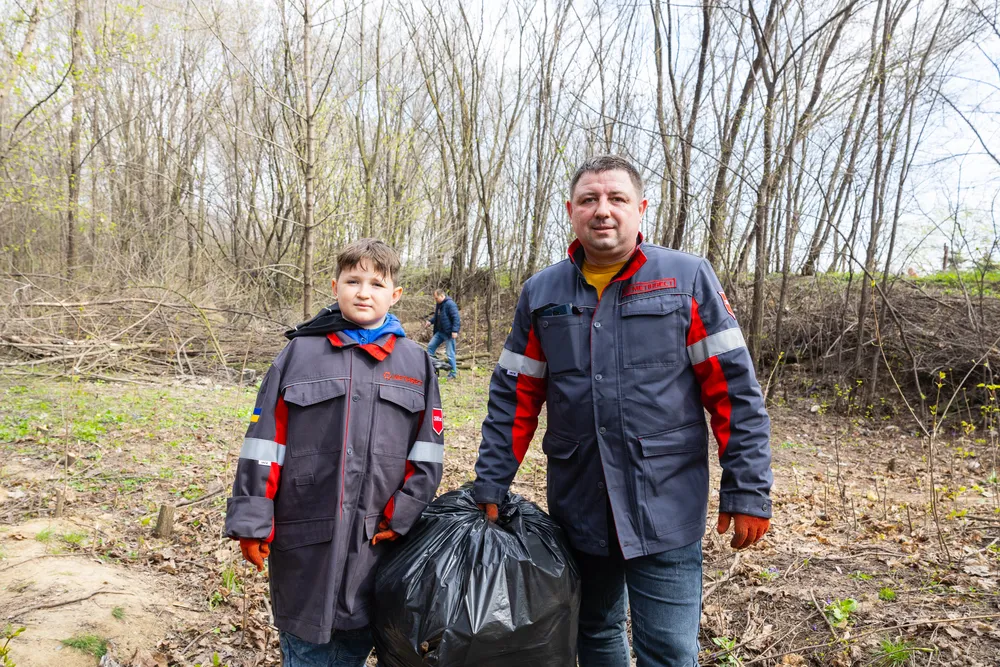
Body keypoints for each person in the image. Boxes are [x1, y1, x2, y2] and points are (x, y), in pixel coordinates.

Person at [472, 155, 773, 667]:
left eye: (616, 199)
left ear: (641, 209)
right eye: (589, 200)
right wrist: (490, 482)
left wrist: (747, 488)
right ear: (571, 211)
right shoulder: (541, 293)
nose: (602, 211)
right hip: (580, 501)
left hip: (665, 499)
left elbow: (735, 393)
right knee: (593, 631)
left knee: (670, 649)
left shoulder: (686, 278)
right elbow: (514, 397)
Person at [224, 239, 445, 667]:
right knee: (307, 648)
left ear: (394, 294)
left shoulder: (416, 364)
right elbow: (263, 444)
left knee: (361, 638)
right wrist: (252, 521)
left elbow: (428, 450)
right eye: (353, 281)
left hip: (377, 542)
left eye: (377, 283)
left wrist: (404, 514)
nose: (364, 292)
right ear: (335, 286)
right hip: (306, 538)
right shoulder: (299, 354)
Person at [424, 288, 461, 379]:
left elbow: (456, 318)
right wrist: (430, 322)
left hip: (449, 333)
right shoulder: (439, 304)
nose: (435, 300)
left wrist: (455, 331)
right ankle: (432, 368)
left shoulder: (450, 304)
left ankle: (453, 373)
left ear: (442, 296)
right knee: (430, 347)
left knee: (450, 354)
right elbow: (437, 317)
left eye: (436, 298)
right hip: (440, 332)